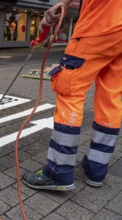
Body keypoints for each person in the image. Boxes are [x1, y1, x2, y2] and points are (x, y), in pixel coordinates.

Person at [22, 0, 122, 191]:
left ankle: (58, 172)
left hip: (100, 24)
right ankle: (96, 169)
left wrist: (61, 3)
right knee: (110, 98)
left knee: (69, 90)